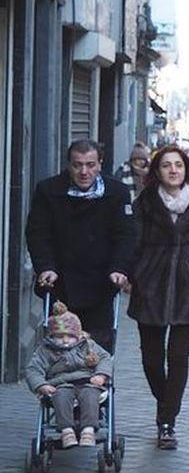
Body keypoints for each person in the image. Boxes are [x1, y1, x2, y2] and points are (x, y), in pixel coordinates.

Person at [128, 144, 189, 449]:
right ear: (156, 172)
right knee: (151, 361)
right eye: (166, 165)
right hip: (150, 290)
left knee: (179, 359)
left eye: (179, 165)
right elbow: (133, 246)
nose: (173, 170)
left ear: (187, 170)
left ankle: (167, 423)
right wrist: (128, 275)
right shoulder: (145, 204)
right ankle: (166, 404)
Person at [25, 139, 134, 355]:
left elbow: (127, 234)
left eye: (90, 164)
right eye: (77, 165)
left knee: (97, 351)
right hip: (60, 284)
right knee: (60, 348)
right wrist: (45, 266)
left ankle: (97, 387)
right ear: (69, 165)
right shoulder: (48, 190)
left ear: (100, 164)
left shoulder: (117, 193)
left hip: (101, 284)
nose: (84, 171)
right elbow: (37, 233)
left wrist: (119, 268)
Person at [25, 302, 114, 449]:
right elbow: (33, 369)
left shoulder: (88, 345)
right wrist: (41, 385)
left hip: (87, 381)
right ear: (51, 336)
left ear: (78, 335)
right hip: (60, 384)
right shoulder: (45, 350)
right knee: (61, 396)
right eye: (59, 336)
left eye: (70, 336)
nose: (65, 340)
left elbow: (105, 358)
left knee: (90, 395)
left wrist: (101, 375)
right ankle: (66, 430)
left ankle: (89, 429)